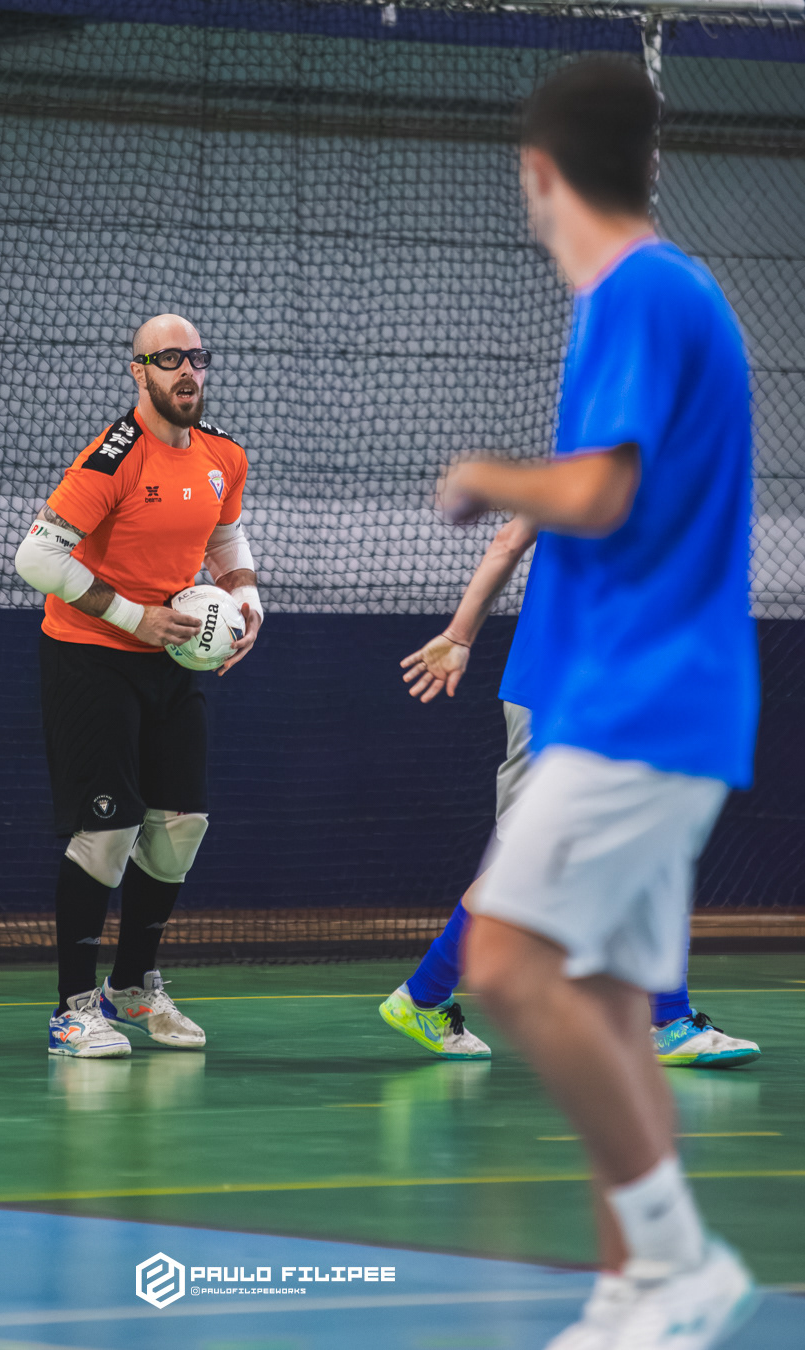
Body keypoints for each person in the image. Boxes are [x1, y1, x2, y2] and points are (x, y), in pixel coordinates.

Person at [430, 59, 760, 1348]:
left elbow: (600, 493)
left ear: (539, 173)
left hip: (642, 703)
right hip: (655, 698)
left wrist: (484, 476)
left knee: (509, 968)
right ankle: (636, 1299)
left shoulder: (632, 292)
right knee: (617, 1010)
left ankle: (676, 1259)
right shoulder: (676, 293)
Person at [380, 514, 760, 1069]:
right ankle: (666, 1020)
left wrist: (459, 635)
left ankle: (427, 995)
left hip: (555, 692)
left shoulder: (567, 477)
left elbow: (507, 541)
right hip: (587, 699)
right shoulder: (654, 484)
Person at [15, 313, 262, 1059]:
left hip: (172, 660)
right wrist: (133, 616)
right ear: (139, 371)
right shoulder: (113, 457)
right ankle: (71, 1011)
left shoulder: (223, 453)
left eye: (196, 358)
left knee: (181, 826)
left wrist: (246, 598)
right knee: (109, 829)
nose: (186, 371)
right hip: (91, 655)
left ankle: (131, 987)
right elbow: (37, 558)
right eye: (168, 359)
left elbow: (224, 533)